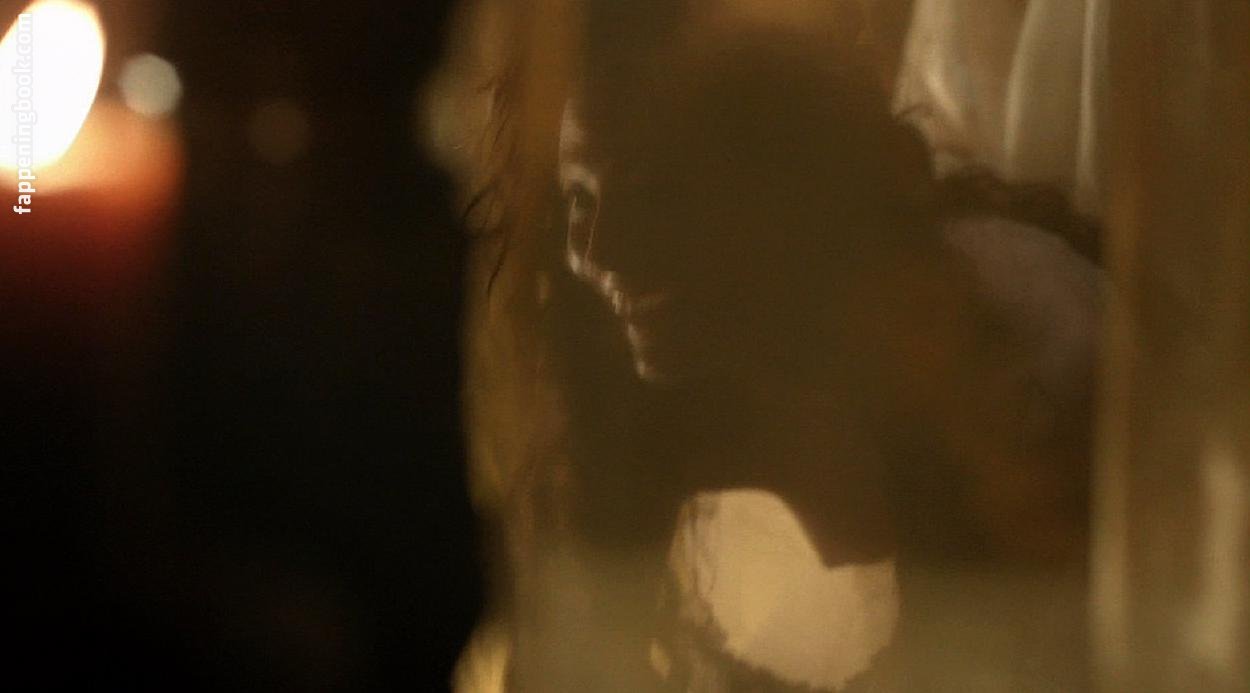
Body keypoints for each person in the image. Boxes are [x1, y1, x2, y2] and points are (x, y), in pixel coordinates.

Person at [457, 2, 1102, 690]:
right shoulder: (680, 387)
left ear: (780, 177)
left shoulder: (1009, 332)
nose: (601, 250)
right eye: (580, 202)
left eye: (657, 194)